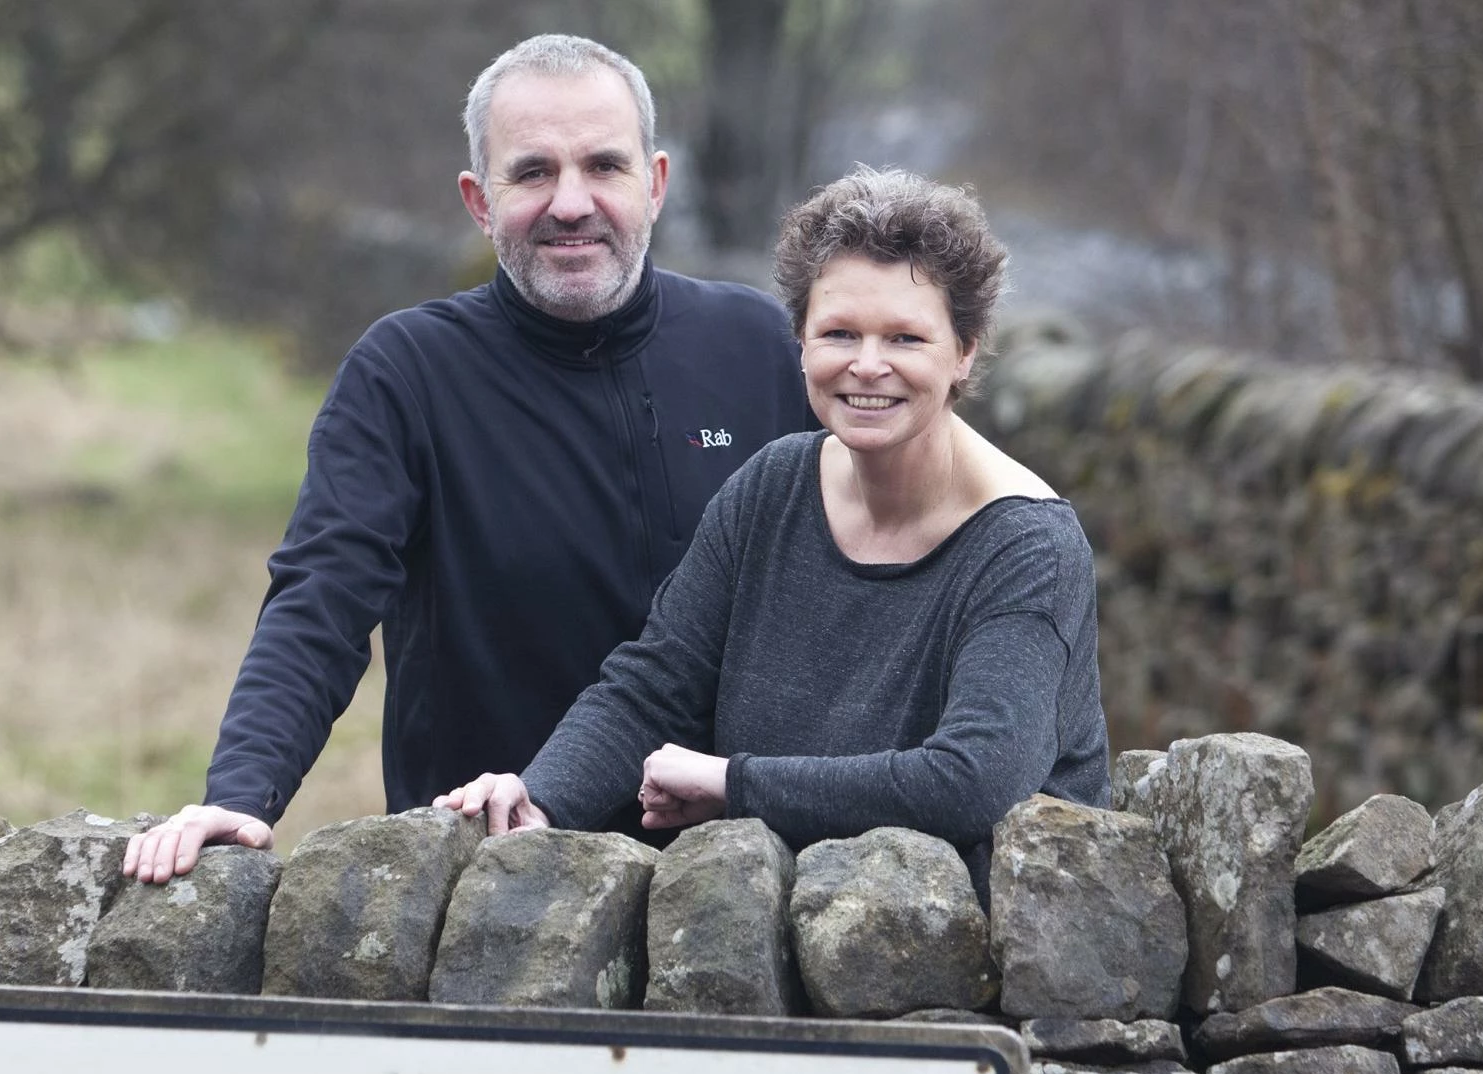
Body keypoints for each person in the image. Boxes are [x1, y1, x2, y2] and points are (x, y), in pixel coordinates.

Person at [125, 35, 812, 882]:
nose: (571, 203)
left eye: (604, 166)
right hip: (484, 889)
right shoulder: (406, 373)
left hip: (736, 888)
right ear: (478, 201)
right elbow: (322, 596)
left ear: (657, 183)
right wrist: (241, 791)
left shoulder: (760, 349)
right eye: (531, 173)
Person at [437, 168, 1110, 890]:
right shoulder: (772, 487)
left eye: (906, 337)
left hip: (968, 975)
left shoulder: (1026, 545)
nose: (868, 364)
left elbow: (974, 779)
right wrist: (542, 799)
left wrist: (735, 783)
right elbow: (652, 685)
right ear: (799, 338)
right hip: (762, 937)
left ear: (966, 351)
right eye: (839, 332)